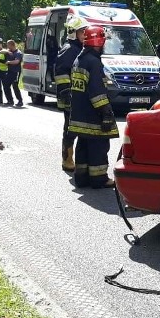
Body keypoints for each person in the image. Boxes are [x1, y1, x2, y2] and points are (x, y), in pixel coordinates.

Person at [68, 25, 118, 188]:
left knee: (83, 145)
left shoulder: (79, 59)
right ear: (99, 41)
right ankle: (99, 178)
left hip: (79, 115)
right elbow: (97, 92)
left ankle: (82, 177)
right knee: (99, 146)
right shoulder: (94, 62)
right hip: (92, 115)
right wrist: (106, 113)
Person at [55, 15, 90, 172]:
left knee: (77, 128)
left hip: (77, 97)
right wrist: (66, 93)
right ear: (73, 33)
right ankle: (67, 159)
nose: (85, 35)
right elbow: (61, 72)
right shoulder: (69, 49)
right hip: (70, 98)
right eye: (82, 32)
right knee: (69, 130)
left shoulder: (79, 48)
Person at [4, 39, 24, 107]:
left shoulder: (18, 53)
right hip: (9, 71)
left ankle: (20, 101)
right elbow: (1, 51)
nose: (7, 46)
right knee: (6, 85)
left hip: (16, 71)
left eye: (8, 45)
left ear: (11, 45)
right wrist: (7, 51)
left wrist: (9, 62)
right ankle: (10, 100)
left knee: (15, 86)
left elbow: (17, 61)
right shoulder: (9, 51)